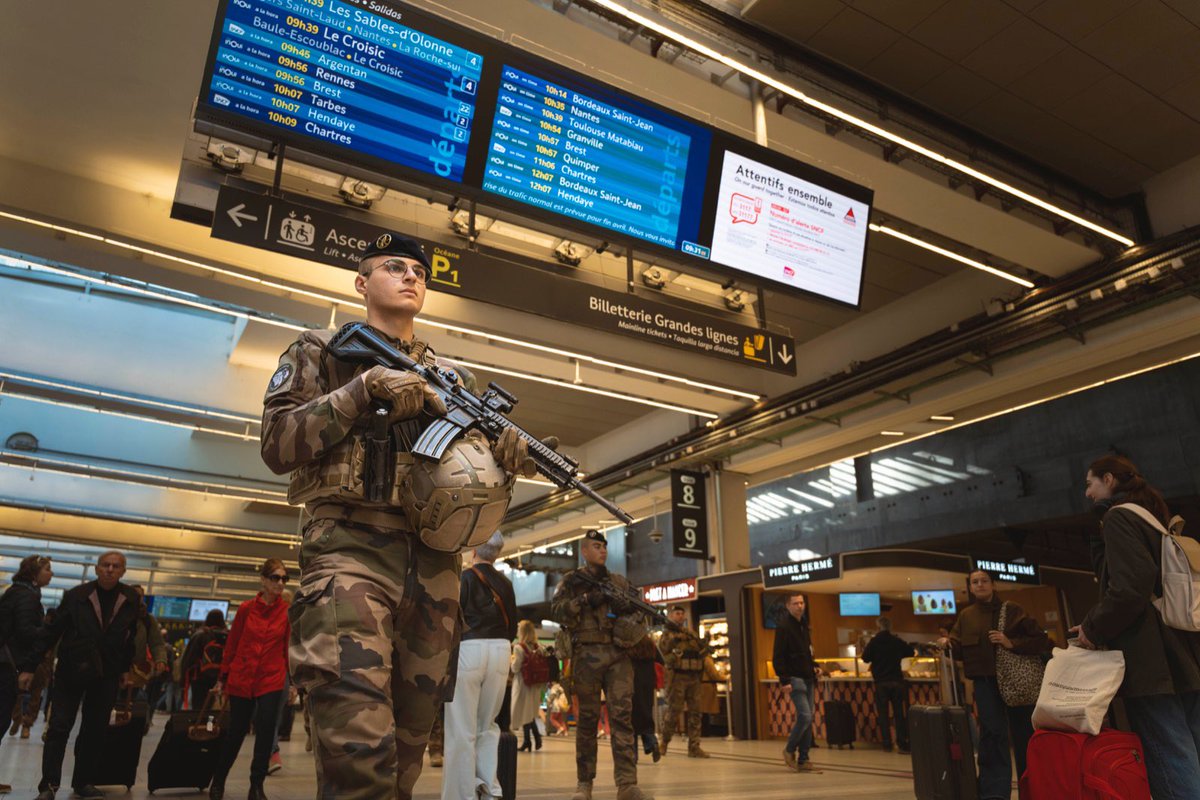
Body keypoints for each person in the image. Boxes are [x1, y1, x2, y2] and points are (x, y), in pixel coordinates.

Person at [263, 232, 532, 800]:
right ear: (362, 283)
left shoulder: (452, 380)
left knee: (409, 752)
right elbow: (277, 445)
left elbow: (471, 477)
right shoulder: (320, 350)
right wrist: (360, 390)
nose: (412, 276)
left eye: (420, 271)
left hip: (435, 569)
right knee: (358, 752)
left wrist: (504, 458)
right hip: (349, 553)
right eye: (394, 267)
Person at [1074, 455, 1200, 800]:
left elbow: (1130, 588)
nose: (1087, 493)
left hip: (1151, 659)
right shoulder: (1153, 520)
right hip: (1183, 651)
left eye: (1090, 483)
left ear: (1109, 479)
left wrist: (1093, 627)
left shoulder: (1118, 517)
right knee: (1189, 748)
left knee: (1170, 753)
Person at [551, 529, 654, 800]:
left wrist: (626, 607)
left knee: (622, 719)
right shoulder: (572, 581)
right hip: (586, 655)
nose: (603, 551)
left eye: (604, 547)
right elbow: (556, 610)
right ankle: (584, 784)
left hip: (618, 655)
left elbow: (639, 610)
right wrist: (584, 600)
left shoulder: (619, 582)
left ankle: (627, 784)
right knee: (586, 719)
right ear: (584, 551)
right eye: (596, 546)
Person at [32, 550, 139, 800]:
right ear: (96, 568)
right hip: (72, 670)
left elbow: (130, 636)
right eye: (105, 565)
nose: (110, 569)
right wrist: (29, 665)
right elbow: (52, 631)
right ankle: (48, 785)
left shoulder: (130, 598)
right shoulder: (77, 596)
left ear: (123, 571)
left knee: (95, 730)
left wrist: (125, 668)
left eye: (115, 566)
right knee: (59, 727)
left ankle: (83, 782)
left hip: (108, 673)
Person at [941, 570, 1050, 800]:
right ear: (970, 587)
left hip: (1016, 682)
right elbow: (958, 647)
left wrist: (1011, 642)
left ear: (993, 585)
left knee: (1024, 736)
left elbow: (1040, 640)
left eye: (984, 581)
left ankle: (1031, 789)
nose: (980, 585)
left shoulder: (1012, 610)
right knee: (992, 735)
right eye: (975, 582)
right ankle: (994, 794)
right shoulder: (966, 616)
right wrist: (946, 644)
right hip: (985, 683)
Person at [442, 531, 517, 800]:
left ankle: (461, 794)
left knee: (461, 728)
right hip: (500, 650)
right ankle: (489, 790)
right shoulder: (506, 584)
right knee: (488, 725)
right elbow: (514, 626)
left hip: (469, 649)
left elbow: (451, 621)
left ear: (474, 550)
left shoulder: (463, 579)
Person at [209, 559, 291, 800]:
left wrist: (294, 682)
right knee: (236, 732)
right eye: (275, 577)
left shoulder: (286, 612)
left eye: (284, 578)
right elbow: (233, 644)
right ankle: (218, 780)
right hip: (242, 677)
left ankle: (256, 785)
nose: (280, 583)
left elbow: (288, 648)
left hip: (271, 678)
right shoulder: (246, 609)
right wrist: (222, 676)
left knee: (266, 731)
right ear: (263, 580)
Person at [0, 555, 51, 792]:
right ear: (34, 574)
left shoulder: (16, 592)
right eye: (47, 569)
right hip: (7, 666)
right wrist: (48, 631)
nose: (51, 574)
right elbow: (25, 632)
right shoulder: (26, 597)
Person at [772, 593, 822, 774]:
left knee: (808, 720)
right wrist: (784, 679)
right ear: (788, 606)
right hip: (794, 678)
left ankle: (804, 759)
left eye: (801, 603)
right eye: (795, 603)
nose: (800, 606)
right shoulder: (784, 627)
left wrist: (814, 666)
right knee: (806, 716)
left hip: (808, 676)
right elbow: (778, 656)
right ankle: (789, 749)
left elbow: (807, 652)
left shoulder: (804, 625)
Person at [657, 604, 709, 758]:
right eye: (676, 613)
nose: (679, 616)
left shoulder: (691, 635)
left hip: (693, 677)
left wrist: (704, 645)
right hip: (677, 677)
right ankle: (664, 743)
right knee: (673, 711)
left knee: (696, 713)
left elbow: (701, 653)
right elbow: (662, 654)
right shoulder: (667, 635)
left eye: (682, 613)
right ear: (671, 616)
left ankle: (694, 747)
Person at [861, 616, 915, 754]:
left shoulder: (874, 642)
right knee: (899, 714)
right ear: (890, 627)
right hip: (896, 681)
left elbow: (865, 658)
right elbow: (910, 651)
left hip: (881, 682)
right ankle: (902, 743)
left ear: (878, 627)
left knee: (884, 714)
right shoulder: (896, 641)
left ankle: (887, 744)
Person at [128, 585, 169, 729]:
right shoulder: (115, 612)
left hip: (135, 672)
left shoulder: (147, 619)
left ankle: (133, 728)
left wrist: (161, 660)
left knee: (134, 702)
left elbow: (157, 643)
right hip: (112, 669)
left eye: (139, 596)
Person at [180, 609, 228, 710]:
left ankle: (199, 723)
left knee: (199, 706)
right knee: (215, 707)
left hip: (199, 677)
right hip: (220, 678)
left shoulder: (201, 635)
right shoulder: (227, 636)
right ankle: (210, 725)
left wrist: (183, 678)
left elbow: (188, 658)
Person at [511, 619, 547, 753]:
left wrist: (511, 661)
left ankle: (533, 739)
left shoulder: (519, 648)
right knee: (529, 713)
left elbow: (515, 668)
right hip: (535, 685)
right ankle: (531, 740)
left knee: (523, 712)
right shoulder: (539, 647)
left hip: (522, 683)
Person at [627, 631, 661, 762]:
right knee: (646, 715)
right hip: (648, 683)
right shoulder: (649, 643)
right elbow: (661, 661)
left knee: (631, 720)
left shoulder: (628, 644)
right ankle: (652, 742)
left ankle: (633, 755)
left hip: (632, 682)